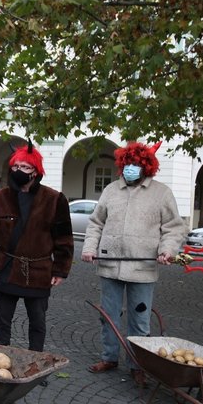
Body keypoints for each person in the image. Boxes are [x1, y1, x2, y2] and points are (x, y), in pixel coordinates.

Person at [81, 141, 187, 382]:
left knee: (140, 319)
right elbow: (96, 223)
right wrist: (89, 248)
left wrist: (167, 250)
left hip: (143, 268)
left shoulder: (161, 193)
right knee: (108, 315)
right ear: (121, 164)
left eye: (136, 164)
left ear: (146, 167)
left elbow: (173, 228)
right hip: (110, 264)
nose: (131, 168)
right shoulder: (110, 191)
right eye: (127, 163)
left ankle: (137, 364)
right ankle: (109, 357)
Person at [0, 143, 73, 352]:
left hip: (39, 271)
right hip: (7, 267)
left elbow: (64, 238)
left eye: (25, 167)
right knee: (2, 320)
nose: (19, 171)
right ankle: (0, 360)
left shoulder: (54, 199)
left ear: (36, 171)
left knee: (37, 322)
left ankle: (36, 362)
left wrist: (60, 270)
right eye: (16, 166)